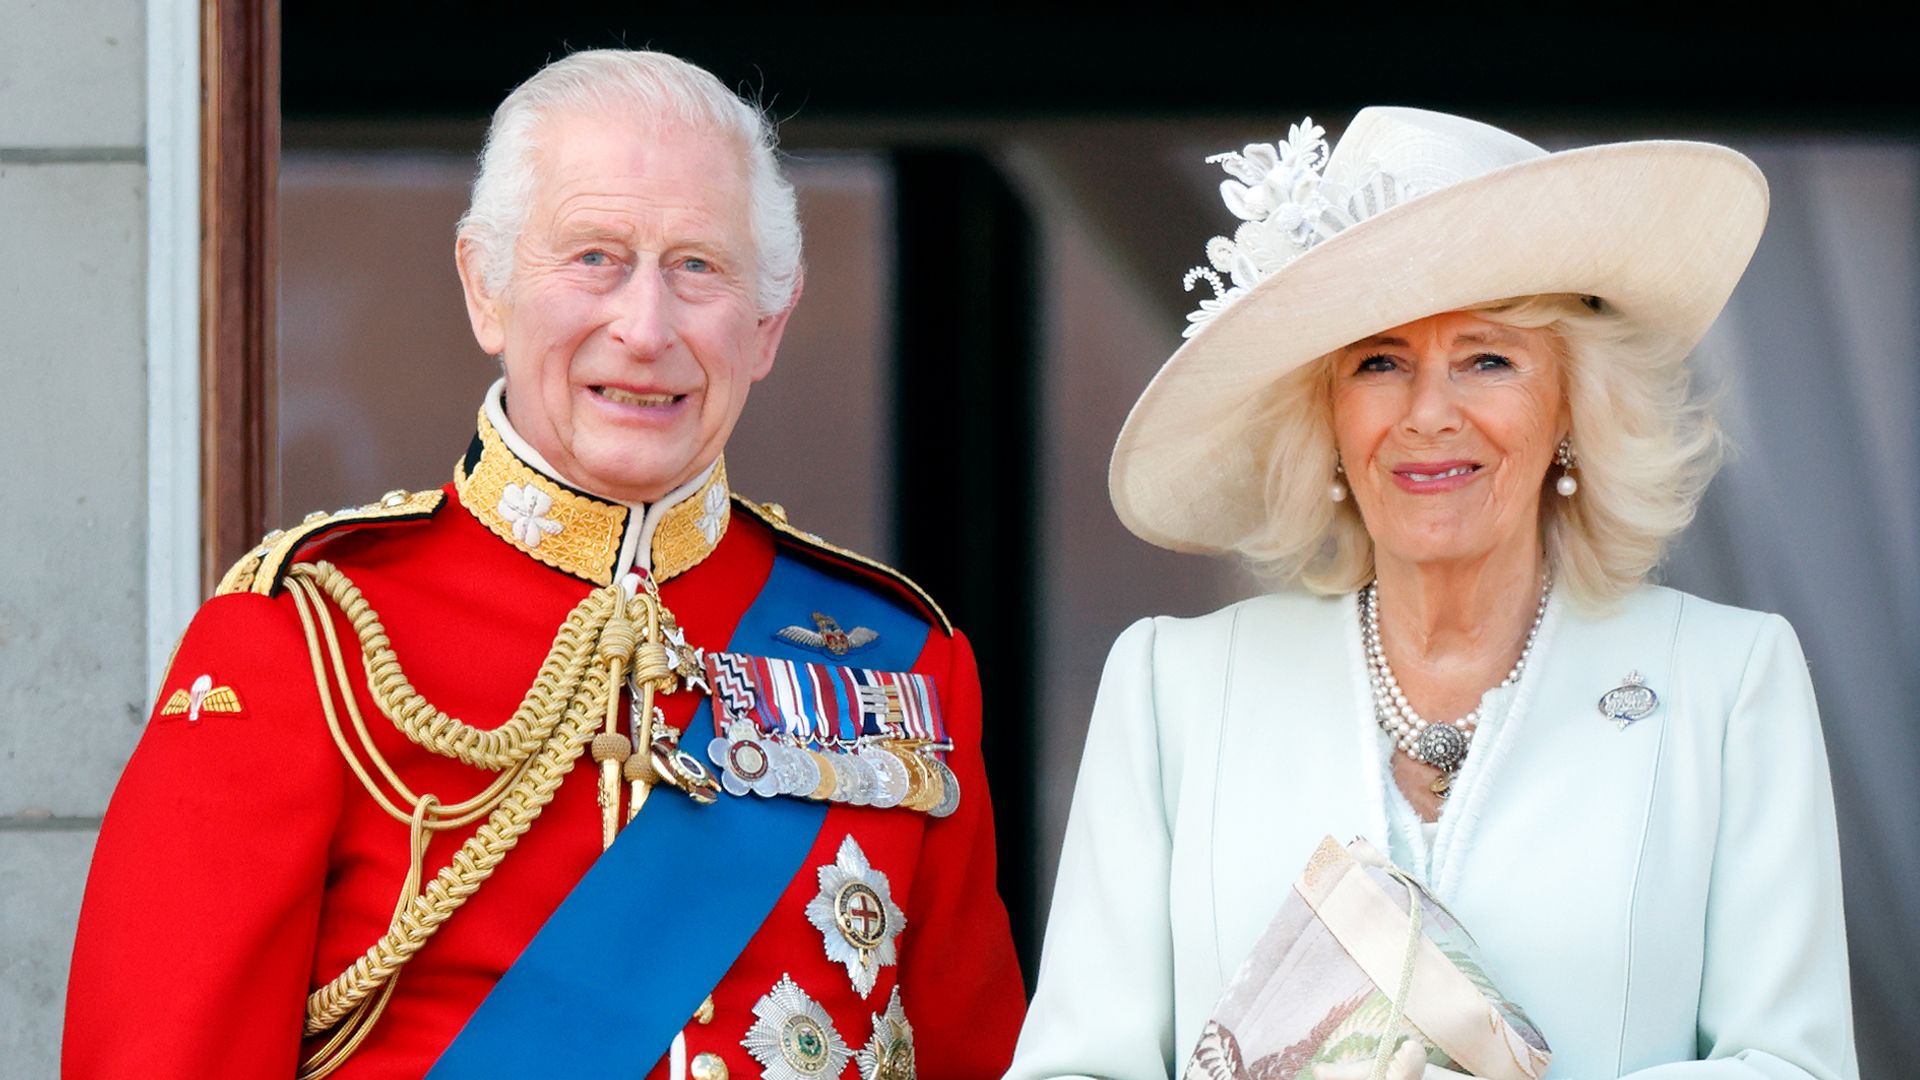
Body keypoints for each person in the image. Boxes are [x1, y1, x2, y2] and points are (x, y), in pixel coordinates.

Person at [65, 49, 1024, 1080]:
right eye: (595, 258)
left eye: (698, 267)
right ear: (485, 289)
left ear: (768, 325)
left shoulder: (899, 666)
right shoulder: (311, 641)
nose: (645, 328)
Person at [1007, 109, 1856, 1078]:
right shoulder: (1175, 687)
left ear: (1572, 400)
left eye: (1487, 358)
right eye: (1380, 362)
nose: (1428, 414)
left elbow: (1800, 1067)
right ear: (1325, 409)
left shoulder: (1727, 681)